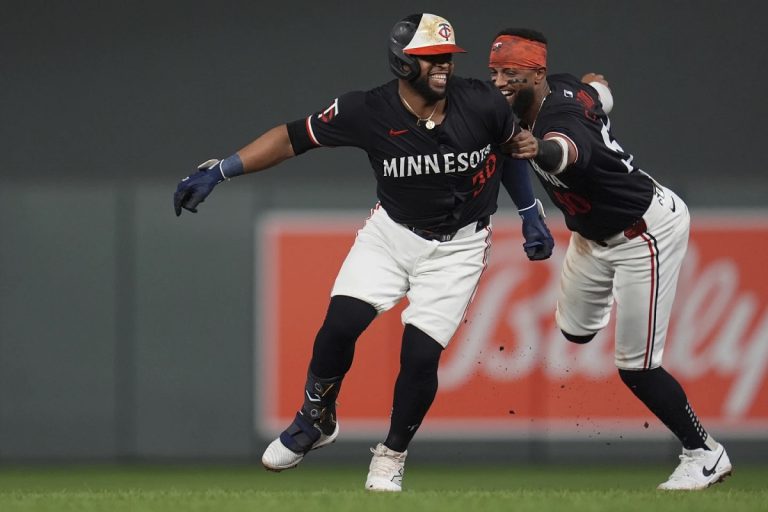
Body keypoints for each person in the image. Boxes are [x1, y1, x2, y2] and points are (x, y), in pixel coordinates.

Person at [174, 14, 553, 492]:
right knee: (339, 326)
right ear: (401, 63)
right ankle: (315, 419)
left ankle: (391, 455)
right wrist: (222, 170)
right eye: (429, 57)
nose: (442, 64)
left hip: (459, 245)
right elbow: (293, 138)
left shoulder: (480, 100)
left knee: (419, 356)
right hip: (391, 234)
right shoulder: (367, 110)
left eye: (446, 56)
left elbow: (509, 156)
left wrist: (530, 212)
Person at [488, 28, 732, 490]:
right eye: (495, 72)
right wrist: (599, 89)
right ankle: (618, 306)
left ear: (537, 74)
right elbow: (595, 91)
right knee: (574, 332)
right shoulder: (566, 88)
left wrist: (539, 148)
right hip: (592, 238)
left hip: (644, 232)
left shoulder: (558, 114)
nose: (500, 81)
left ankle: (705, 453)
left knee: (636, 368)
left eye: (511, 74)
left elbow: (569, 151)